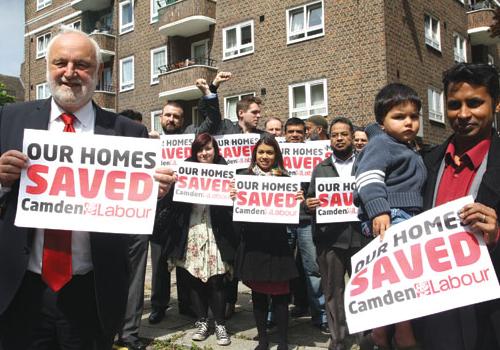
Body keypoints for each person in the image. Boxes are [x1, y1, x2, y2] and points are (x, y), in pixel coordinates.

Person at [0, 28, 175, 349]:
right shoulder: (9, 119)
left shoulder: (128, 133)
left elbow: (133, 209)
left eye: (81, 64)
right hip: (20, 289)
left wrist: (154, 192)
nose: (69, 73)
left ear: (98, 71)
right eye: (60, 63)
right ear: (47, 68)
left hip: (91, 292)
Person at [416, 63, 500, 350]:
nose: (463, 114)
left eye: (474, 103)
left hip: (487, 313)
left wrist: (497, 234)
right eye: (454, 105)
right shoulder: (426, 163)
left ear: (496, 104)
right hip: (434, 310)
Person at [354, 83, 426, 350]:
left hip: (405, 216)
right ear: (382, 123)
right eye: (399, 116)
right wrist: (379, 209)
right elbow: (367, 177)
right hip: (392, 217)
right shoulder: (382, 144)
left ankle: (380, 333)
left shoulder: (408, 147)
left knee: (392, 283)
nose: (408, 122)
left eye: (414, 116)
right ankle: (403, 335)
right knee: (403, 282)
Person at [152, 133, 237, 346]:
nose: (204, 153)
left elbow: (234, 209)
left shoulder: (226, 171)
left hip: (215, 233)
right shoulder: (184, 170)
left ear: (215, 150)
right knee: (193, 279)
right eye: (200, 149)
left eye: (208, 148)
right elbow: (170, 205)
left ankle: (219, 324)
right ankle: (201, 321)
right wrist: (173, 187)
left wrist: (234, 195)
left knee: (217, 279)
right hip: (190, 232)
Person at [231, 135, 302, 350]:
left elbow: (296, 216)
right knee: (258, 294)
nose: (264, 156)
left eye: (269, 152)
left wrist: (297, 200)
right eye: (261, 152)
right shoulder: (243, 178)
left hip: (277, 244)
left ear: (276, 156)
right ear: (254, 155)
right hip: (253, 243)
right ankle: (263, 340)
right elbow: (236, 214)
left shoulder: (286, 179)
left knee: (280, 295)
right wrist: (233, 198)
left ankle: (282, 341)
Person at [306, 117, 369, 350]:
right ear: (329, 138)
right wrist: (308, 204)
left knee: (363, 288)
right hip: (330, 239)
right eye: (335, 135)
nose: (340, 138)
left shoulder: (365, 164)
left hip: (361, 237)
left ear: (352, 136)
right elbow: (309, 198)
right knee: (333, 291)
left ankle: (366, 337)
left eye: (344, 134)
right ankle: (339, 338)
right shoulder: (320, 168)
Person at [284, 117, 328, 332]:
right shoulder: (276, 157)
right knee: (280, 267)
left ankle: (320, 316)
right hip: (282, 220)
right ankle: (274, 315)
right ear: (284, 134)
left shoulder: (316, 159)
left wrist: (310, 197)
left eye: (299, 132)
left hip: (305, 221)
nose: (295, 135)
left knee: (313, 269)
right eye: (291, 131)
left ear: (306, 134)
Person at [115, 110, 149, 350]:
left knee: (135, 279)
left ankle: (129, 333)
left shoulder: (149, 154)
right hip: (106, 223)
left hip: (137, 221)